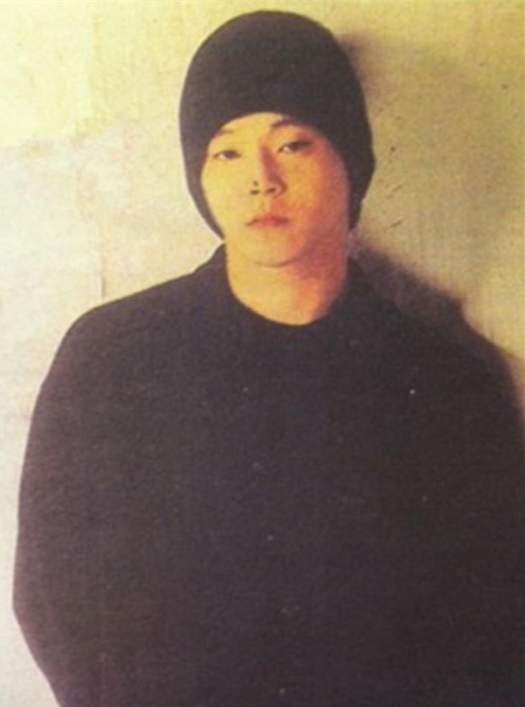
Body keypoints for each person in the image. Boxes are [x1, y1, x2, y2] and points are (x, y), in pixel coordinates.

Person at [14, 10, 524, 707]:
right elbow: (55, 598)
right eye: (226, 152)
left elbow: (495, 625)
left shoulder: (444, 381)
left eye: (293, 144)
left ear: (351, 161)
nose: (261, 178)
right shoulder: (113, 360)